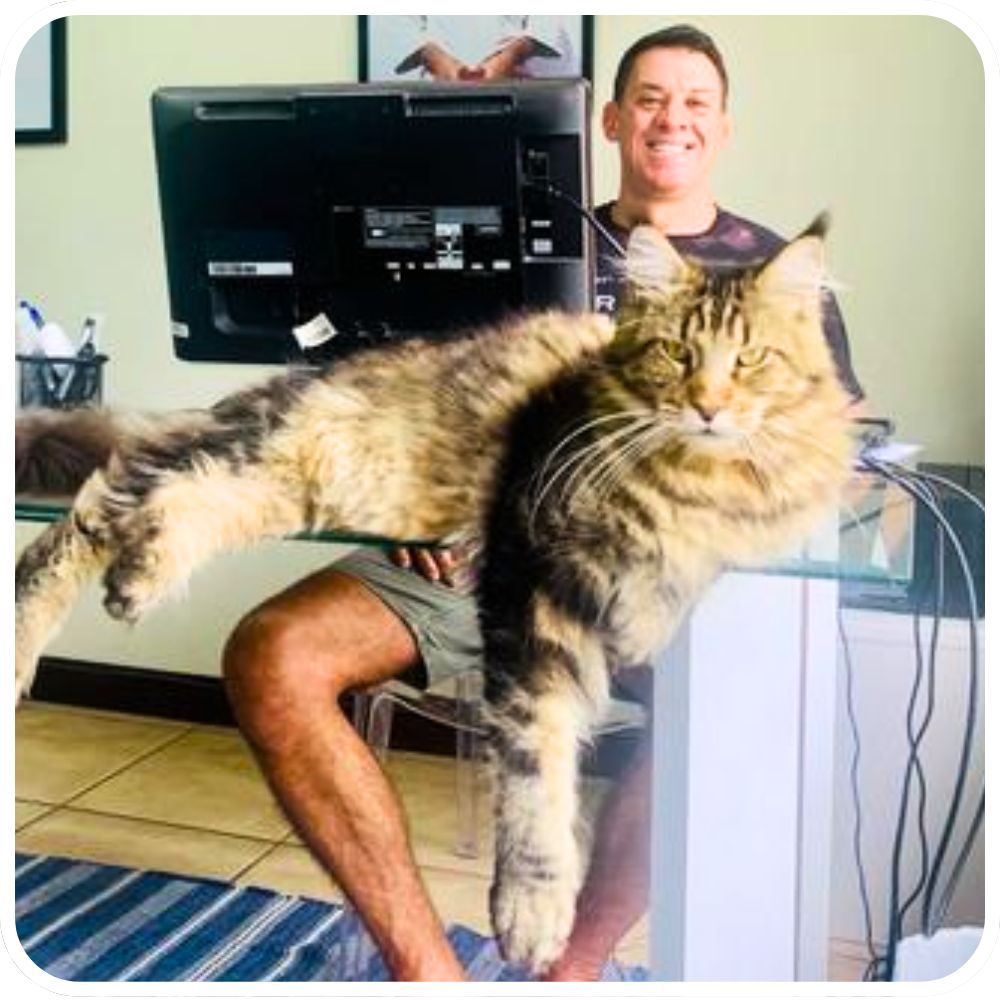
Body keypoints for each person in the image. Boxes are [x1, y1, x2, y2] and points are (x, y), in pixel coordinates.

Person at [222, 24, 864, 984]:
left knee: (732, 695)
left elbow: (836, 445)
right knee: (272, 654)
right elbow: (430, 398)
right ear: (608, 118)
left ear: (724, 129)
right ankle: (425, 965)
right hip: (486, 549)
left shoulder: (777, 274)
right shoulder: (522, 241)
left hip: (671, 578)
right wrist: (416, 510)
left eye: (695, 102)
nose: (671, 118)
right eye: (649, 97)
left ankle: (572, 966)